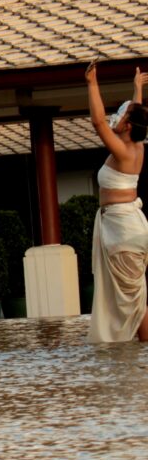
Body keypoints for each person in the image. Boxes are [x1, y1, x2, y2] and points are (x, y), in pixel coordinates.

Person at [85, 63, 148, 342]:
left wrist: (91, 83)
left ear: (128, 126)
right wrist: (137, 88)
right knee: (134, 297)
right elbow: (137, 113)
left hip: (124, 231)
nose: (117, 116)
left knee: (135, 299)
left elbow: (98, 122)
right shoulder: (136, 144)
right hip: (125, 228)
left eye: (122, 114)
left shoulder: (123, 150)